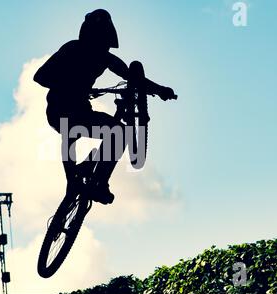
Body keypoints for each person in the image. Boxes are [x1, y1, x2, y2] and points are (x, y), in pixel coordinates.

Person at [34, 9, 176, 205]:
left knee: (119, 132)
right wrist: (69, 84)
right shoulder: (71, 49)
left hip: (83, 111)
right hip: (60, 110)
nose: (102, 48)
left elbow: (132, 76)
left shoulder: (105, 58)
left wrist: (160, 90)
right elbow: (40, 76)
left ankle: (99, 181)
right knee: (71, 131)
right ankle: (72, 181)